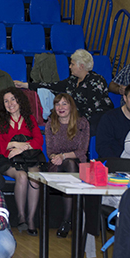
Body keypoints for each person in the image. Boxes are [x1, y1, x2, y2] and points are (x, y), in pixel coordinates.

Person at [16, 49, 113, 132]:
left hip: (95, 121)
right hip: (74, 118)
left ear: (81, 66)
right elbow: (53, 85)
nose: (70, 67)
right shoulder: (73, 79)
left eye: (72, 64)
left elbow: (90, 109)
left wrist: (71, 122)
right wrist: (26, 85)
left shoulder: (97, 81)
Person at [0, 87, 44, 235]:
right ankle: (21, 216)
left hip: (29, 157)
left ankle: (31, 219)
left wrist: (21, 147)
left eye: (13, 99)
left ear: (20, 101)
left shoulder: (30, 119)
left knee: (35, 179)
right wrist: (15, 145)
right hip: (8, 159)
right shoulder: (0, 121)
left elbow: (39, 141)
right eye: (6, 101)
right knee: (21, 176)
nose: (10, 104)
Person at [45, 93, 90, 238]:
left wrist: (63, 156)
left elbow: (82, 150)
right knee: (68, 168)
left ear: (71, 106)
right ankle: (71, 220)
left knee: (71, 165)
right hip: (56, 164)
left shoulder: (82, 123)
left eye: (64, 103)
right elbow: (50, 151)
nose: (60, 107)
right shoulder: (50, 123)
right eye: (57, 104)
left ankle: (67, 221)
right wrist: (56, 157)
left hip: (77, 162)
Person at [97, 83, 130, 172]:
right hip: (114, 164)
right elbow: (102, 147)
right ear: (125, 98)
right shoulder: (109, 118)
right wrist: (120, 164)